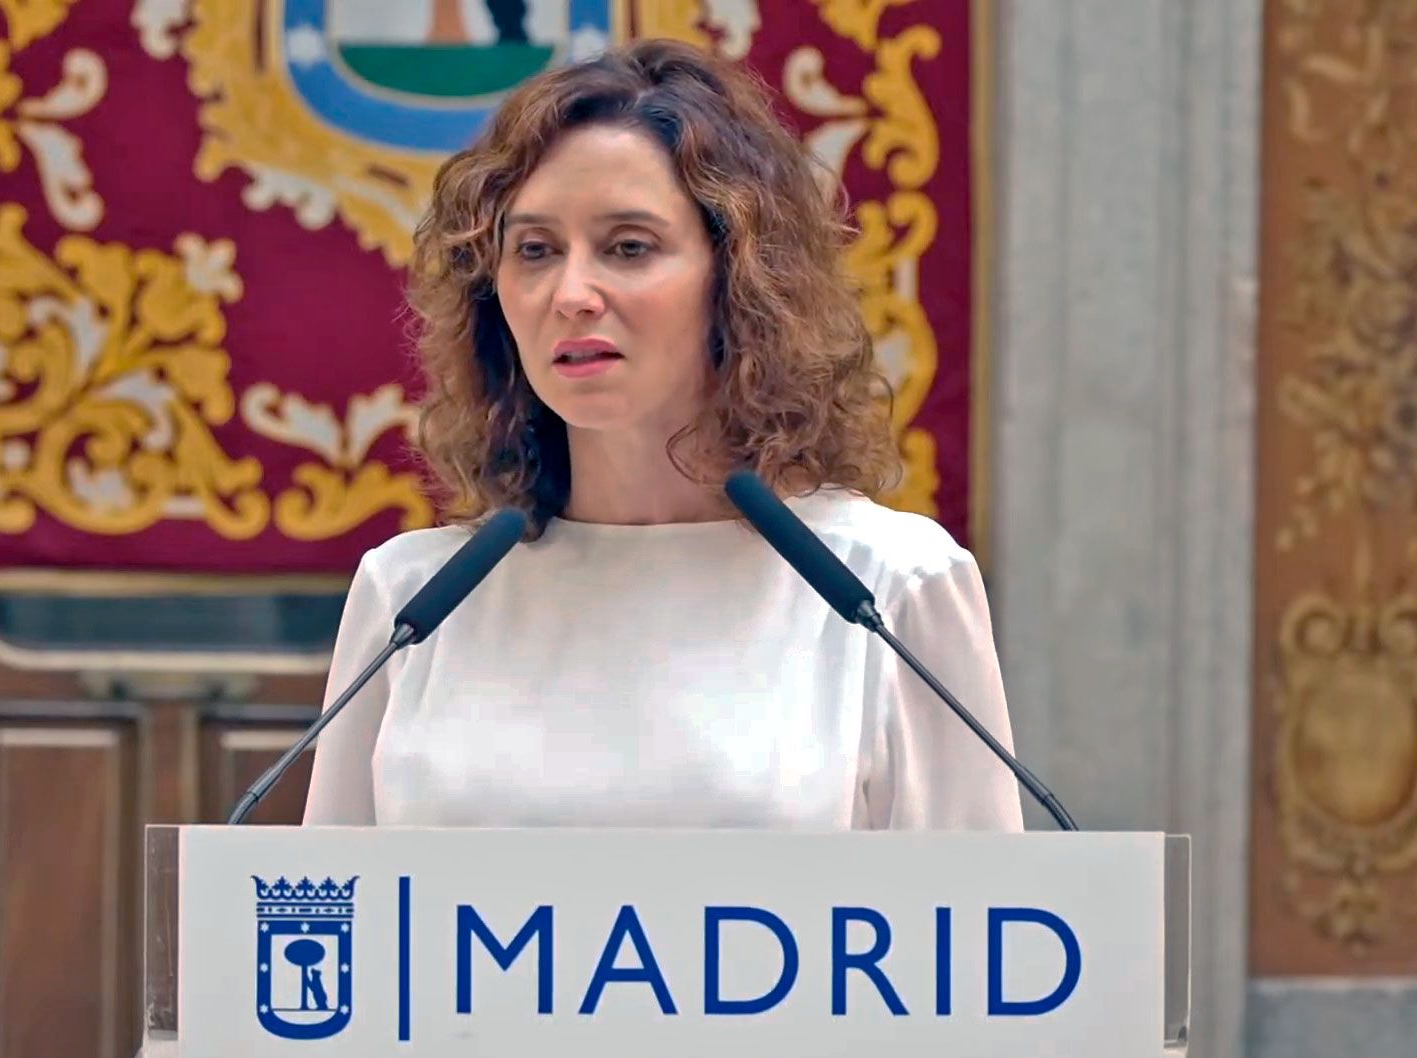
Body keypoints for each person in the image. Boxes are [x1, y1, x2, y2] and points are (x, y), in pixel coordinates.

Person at [300, 38, 1022, 832]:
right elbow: (323, 930)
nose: (571, 293)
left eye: (628, 247)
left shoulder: (887, 589)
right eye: (534, 251)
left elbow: (974, 939)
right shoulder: (413, 598)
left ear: (740, 279)